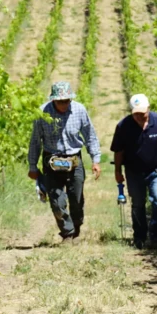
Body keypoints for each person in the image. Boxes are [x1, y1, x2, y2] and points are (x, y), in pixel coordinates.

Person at [28, 81, 101, 239]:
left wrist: (95, 160)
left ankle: (76, 224)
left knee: (76, 198)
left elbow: (90, 135)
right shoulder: (42, 113)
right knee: (56, 201)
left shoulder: (79, 110)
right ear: (53, 100)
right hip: (51, 160)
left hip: (74, 160)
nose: (64, 104)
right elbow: (35, 141)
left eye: (67, 101)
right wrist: (32, 166)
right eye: (60, 101)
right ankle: (67, 232)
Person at [110, 94, 157, 249]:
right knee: (137, 204)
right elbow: (118, 151)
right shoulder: (123, 126)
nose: (139, 117)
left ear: (148, 109)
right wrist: (118, 171)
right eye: (135, 113)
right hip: (133, 172)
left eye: (142, 113)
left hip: (155, 170)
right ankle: (140, 237)